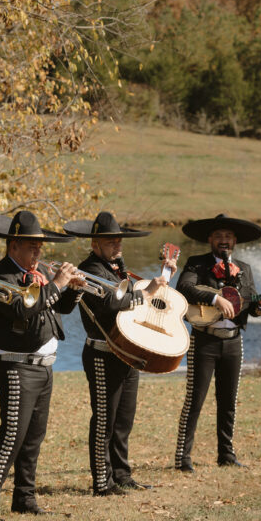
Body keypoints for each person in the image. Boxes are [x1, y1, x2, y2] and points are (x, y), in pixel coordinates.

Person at [0, 210, 84, 521]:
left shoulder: (39, 275)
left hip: (44, 365)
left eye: (40, 246)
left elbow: (57, 306)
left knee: (34, 436)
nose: (38, 252)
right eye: (32, 246)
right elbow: (24, 308)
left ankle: (24, 496)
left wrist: (72, 289)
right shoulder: (0, 277)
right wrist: (58, 283)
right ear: (13, 245)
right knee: (11, 436)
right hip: (17, 365)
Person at [63, 212, 175, 495]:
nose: (117, 245)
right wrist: (147, 291)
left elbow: (134, 300)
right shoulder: (89, 269)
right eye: (111, 242)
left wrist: (163, 276)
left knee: (124, 420)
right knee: (104, 419)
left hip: (127, 351)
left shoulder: (115, 267)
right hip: (102, 353)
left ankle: (122, 475)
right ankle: (102, 481)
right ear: (95, 244)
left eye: (119, 241)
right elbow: (113, 304)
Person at [174, 214, 261, 472]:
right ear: (210, 240)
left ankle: (226, 454)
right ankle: (183, 458)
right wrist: (215, 300)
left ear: (235, 241)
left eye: (228, 236)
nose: (224, 241)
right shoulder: (197, 264)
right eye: (219, 236)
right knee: (195, 399)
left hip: (233, 342)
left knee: (228, 400)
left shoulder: (245, 269)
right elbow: (183, 288)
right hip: (204, 341)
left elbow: (251, 310)